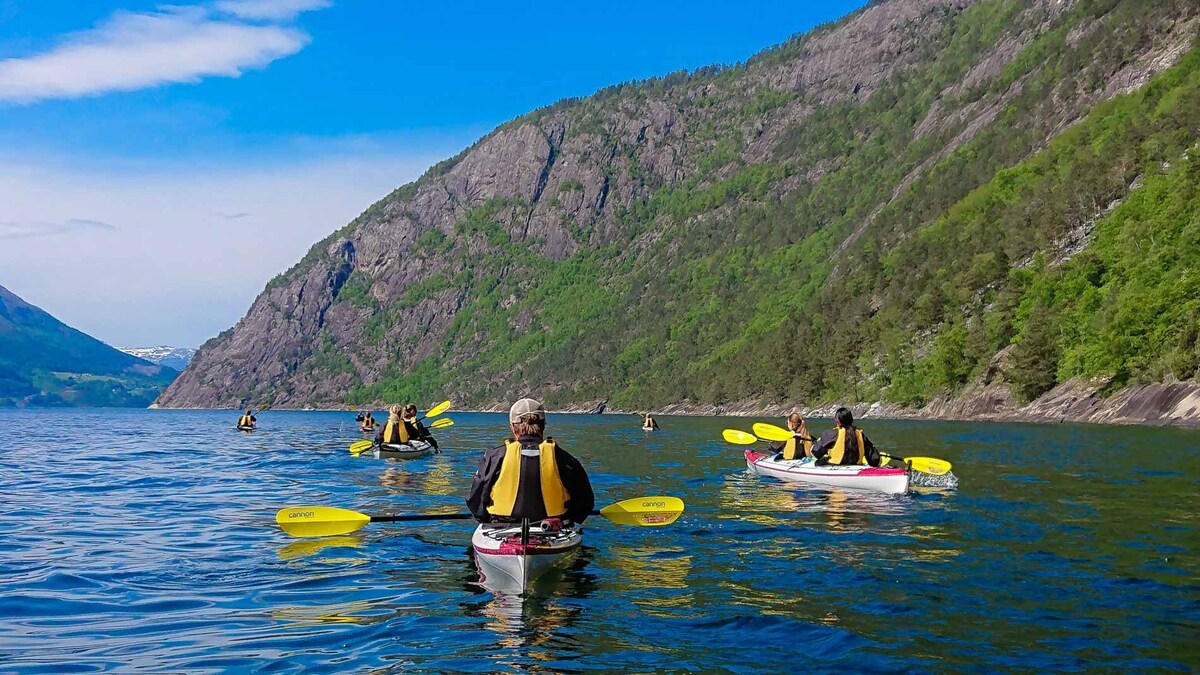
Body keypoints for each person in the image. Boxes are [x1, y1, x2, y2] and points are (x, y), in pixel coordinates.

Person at [467, 398, 595, 524]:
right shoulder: (564, 458)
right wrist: (569, 518)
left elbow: (476, 502)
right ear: (543, 425)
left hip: (501, 527)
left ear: (512, 426)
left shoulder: (495, 457)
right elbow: (584, 504)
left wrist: (486, 519)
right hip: (553, 528)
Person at [810, 407, 882, 466]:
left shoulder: (831, 434)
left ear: (837, 421)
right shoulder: (860, 434)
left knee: (819, 462)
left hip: (834, 466)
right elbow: (874, 459)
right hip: (856, 467)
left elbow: (815, 453)